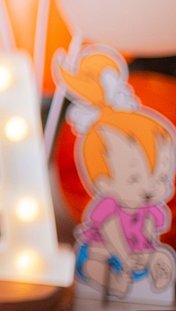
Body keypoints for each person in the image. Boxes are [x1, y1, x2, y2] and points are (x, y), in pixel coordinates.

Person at [58, 46, 175, 299]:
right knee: (94, 262)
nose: (149, 188)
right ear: (102, 181)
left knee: (159, 255)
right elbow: (111, 231)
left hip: (136, 253)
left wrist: (144, 254)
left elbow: (147, 231)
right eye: (134, 178)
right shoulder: (109, 207)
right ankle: (111, 281)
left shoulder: (148, 207)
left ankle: (157, 278)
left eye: (160, 177)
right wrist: (124, 257)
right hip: (107, 249)